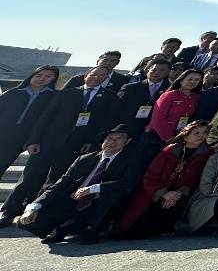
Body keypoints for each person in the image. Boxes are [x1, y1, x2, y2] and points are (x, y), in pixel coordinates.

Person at [0, 65, 117, 224]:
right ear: (86, 75)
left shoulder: (108, 97)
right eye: (94, 74)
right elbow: (45, 118)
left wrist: (91, 142)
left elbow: (102, 122)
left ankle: (36, 211)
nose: (97, 77)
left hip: (76, 145)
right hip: (48, 142)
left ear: (106, 78)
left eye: (102, 75)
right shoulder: (67, 93)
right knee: (30, 177)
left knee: (55, 179)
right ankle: (9, 211)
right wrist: (34, 140)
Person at [14, 124, 138, 245]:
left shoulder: (130, 160)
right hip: (73, 201)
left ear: (127, 142)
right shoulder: (84, 159)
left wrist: (93, 189)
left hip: (100, 203)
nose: (112, 141)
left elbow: (127, 181)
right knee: (25, 222)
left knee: (116, 193)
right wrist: (34, 206)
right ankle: (70, 225)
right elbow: (60, 184)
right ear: (103, 141)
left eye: (119, 138)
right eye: (110, 138)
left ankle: (89, 228)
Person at [116, 120, 214, 239]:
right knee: (132, 232)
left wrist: (178, 193)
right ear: (186, 134)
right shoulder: (170, 150)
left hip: (178, 193)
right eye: (196, 133)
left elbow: (197, 178)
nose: (201, 136)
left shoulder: (207, 152)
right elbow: (150, 175)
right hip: (155, 190)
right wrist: (163, 193)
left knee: (167, 214)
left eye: (204, 132)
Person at [0, 65, 60, 188]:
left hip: (20, 139)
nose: (42, 79)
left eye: (48, 76)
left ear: (53, 79)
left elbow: (47, 122)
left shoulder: (54, 97)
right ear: (31, 76)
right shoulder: (14, 92)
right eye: (38, 75)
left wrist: (33, 140)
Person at [113, 60, 170, 138]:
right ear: (148, 70)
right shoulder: (130, 88)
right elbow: (115, 109)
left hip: (150, 131)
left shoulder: (169, 90)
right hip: (125, 130)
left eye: (162, 70)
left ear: (168, 72)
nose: (157, 73)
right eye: (154, 69)